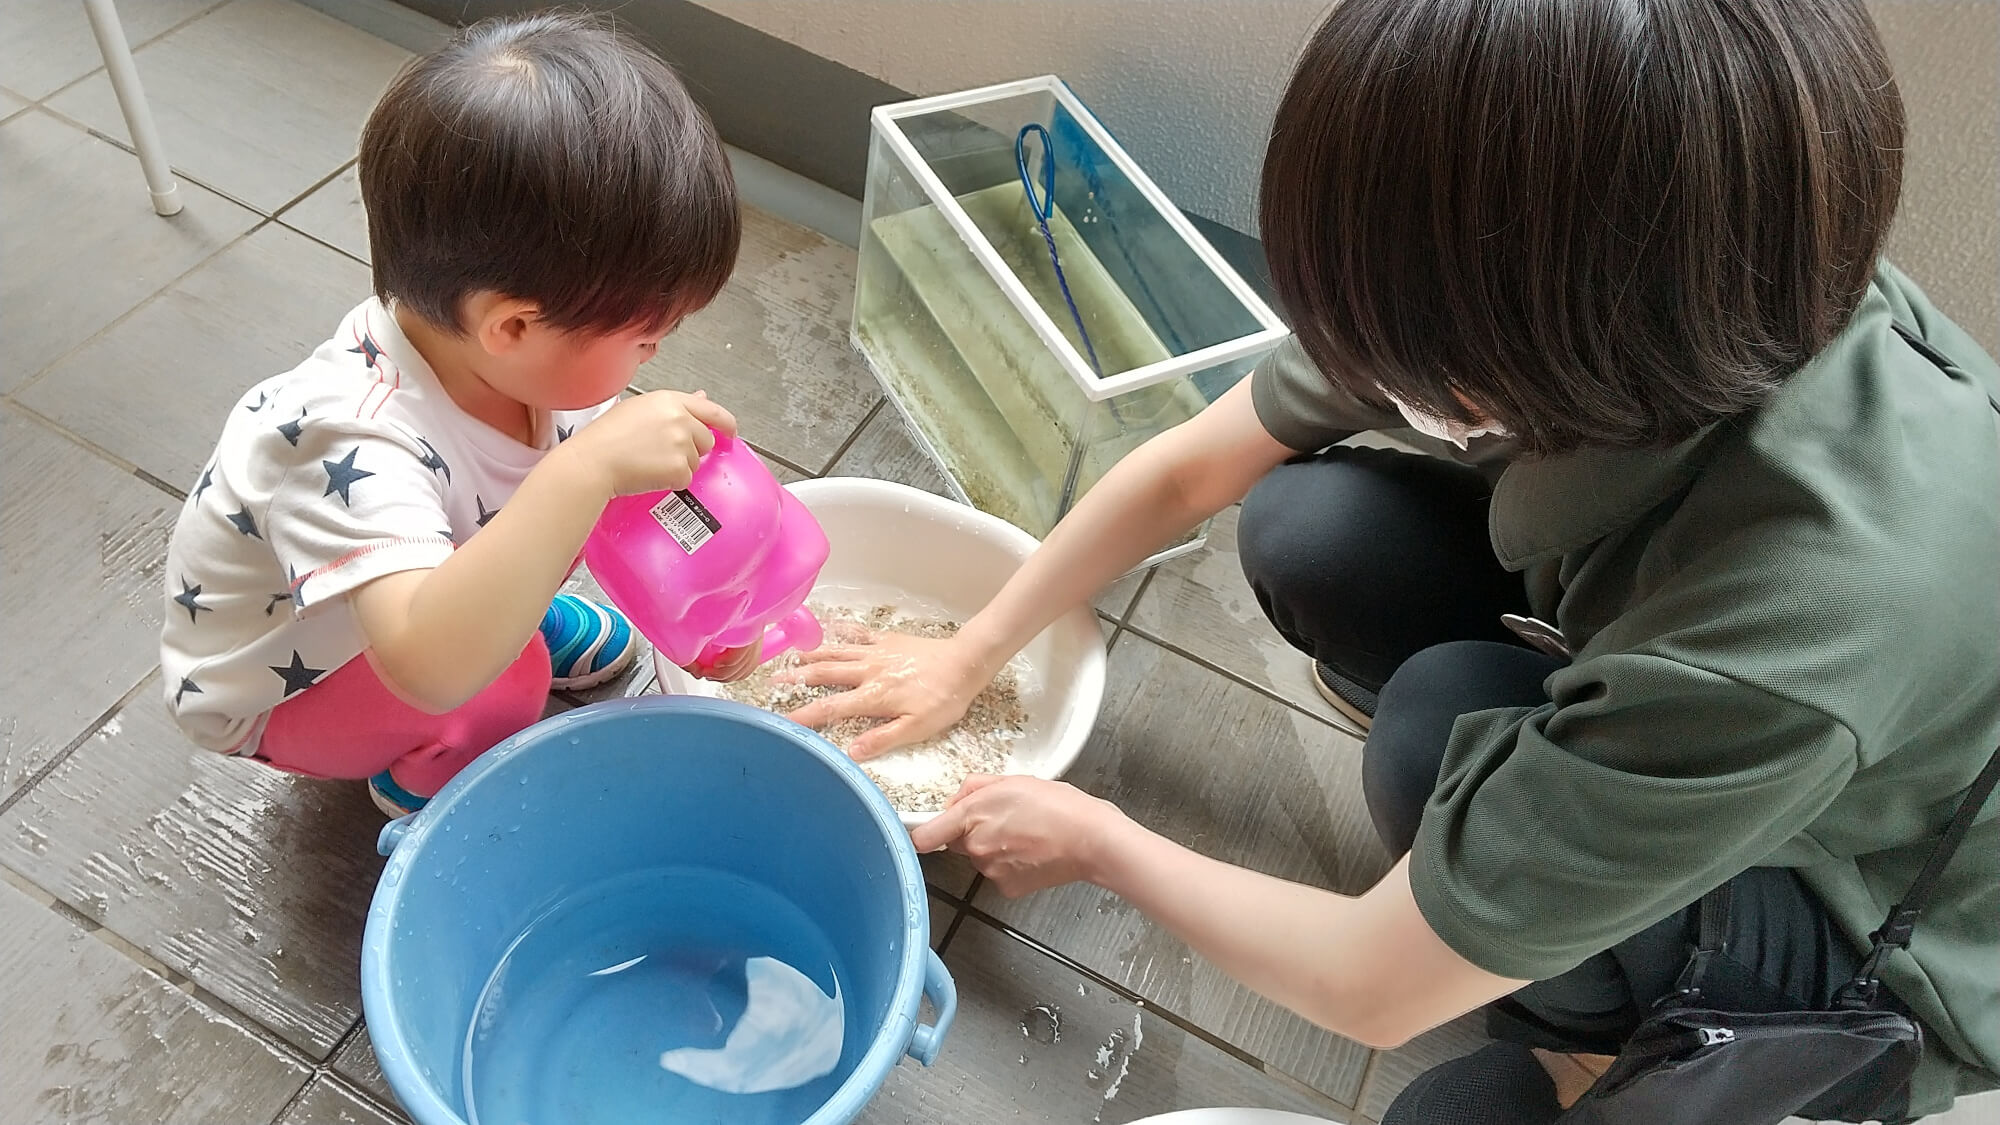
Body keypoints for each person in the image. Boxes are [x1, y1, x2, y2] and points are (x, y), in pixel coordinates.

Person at [785, 0, 2000, 1119]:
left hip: (1874, 904)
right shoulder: (1585, 261)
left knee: (1435, 746)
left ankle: (1583, 991)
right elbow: (1187, 469)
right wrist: (977, 647)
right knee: (1311, 529)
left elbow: (1368, 993)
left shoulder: (1794, 611)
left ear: (1552, 355)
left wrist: (1095, 839)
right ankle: (1527, 839)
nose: (1363, 360)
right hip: (1705, 661)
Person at [159, 12, 758, 817]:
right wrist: (585, 468)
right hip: (287, 681)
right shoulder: (349, 439)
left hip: (417, 593)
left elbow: (618, 511)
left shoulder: (509, 360)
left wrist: (718, 606)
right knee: (504, 685)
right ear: (511, 326)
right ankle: (427, 786)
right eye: (647, 335)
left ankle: (512, 615)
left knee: (525, 572)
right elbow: (427, 665)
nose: (655, 354)